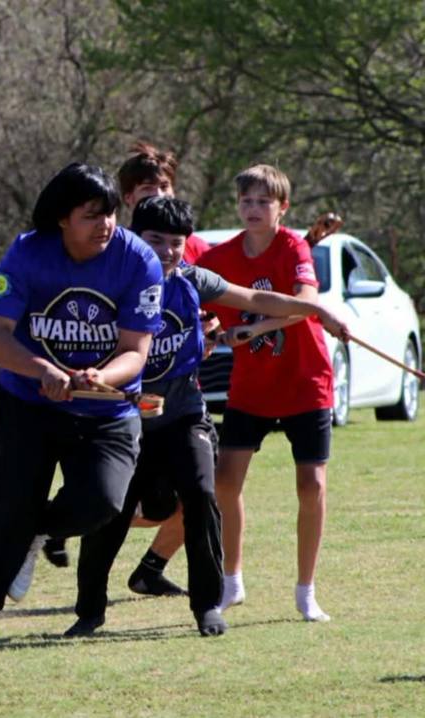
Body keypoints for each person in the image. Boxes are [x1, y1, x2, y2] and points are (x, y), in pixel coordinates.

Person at [69, 196, 349, 637]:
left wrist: (316, 310)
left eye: (176, 243)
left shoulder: (192, 280)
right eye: (155, 240)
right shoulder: (109, 283)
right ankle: (89, 611)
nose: (166, 251)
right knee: (112, 511)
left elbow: (254, 296)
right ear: (132, 239)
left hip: (184, 416)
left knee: (202, 494)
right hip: (126, 421)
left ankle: (207, 607)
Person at [0, 163, 164, 646]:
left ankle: (40, 532)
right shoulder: (29, 253)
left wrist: (99, 377)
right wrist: (42, 371)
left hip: (106, 411)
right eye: (91, 215)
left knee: (105, 500)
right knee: (11, 506)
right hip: (27, 402)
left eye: (110, 213)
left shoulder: (138, 260)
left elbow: (136, 350)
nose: (105, 225)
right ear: (62, 218)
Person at [43, 141, 204, 597]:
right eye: (147, 190)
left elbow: (220, 296)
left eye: (166, 187)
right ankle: (70, 555)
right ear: (126, 199)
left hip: (172, 407)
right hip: (114, 406)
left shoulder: (183, 247)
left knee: (190, 496)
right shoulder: (111, 257)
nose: (159, 197)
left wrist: (209, 329)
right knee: (110, 502)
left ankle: (149, 569)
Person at [198, 164, 335, 622]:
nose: (253, 209)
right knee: (225, 481)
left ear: (282, 208)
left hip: (304, 383)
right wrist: (217, 329)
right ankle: (231, 582)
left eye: (263, 202)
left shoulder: (294, 245)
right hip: (252, 389)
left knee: (310, 485)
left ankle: (305, 591)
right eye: (246, 201)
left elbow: (305, 304)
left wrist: (254, 325)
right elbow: (199, 301)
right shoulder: (221, 257)